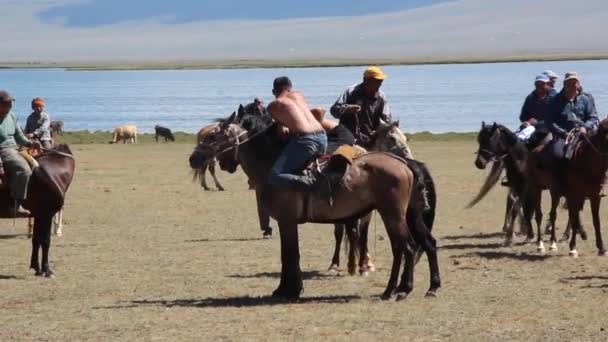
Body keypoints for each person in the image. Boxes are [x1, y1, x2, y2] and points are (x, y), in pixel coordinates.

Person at [267, 77, 327, 190]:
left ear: (274, 92)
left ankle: (312, 182)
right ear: (290, 89)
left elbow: (282, 133)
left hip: (306, 141)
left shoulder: (273, 106)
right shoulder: (299, 95)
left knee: (275, 176)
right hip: (323, 137)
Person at [330, 66, 393, 148]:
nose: (380, 83)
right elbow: (334, 111)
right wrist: (347, 109)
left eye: (381, 81)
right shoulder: (351, 91)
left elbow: (386, 118)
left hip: (371, 134)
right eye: (377, 81)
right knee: (346, 145)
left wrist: (385, 128)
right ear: (366, 80)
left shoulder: (381, 96)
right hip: (349, 132)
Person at [0, 90, 41, 216]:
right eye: (7, 103)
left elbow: (18, 135)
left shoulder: (12, 115)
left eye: (11, 103)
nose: (10, 106)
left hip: (15, 147)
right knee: (23, 170)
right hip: (3, 149)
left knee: (38, 167)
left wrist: (30, 143)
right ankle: (15, 205)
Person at [516, 74, 554, 140]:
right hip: (530, 127)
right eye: (537, 84)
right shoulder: (530, 98)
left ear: (548, 84)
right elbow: (523, 115)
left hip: (549, 128)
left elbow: (555, 117)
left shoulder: (554, 98)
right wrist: (526, 122)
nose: (539, 86)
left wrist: (537, 123)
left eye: (542, 84)